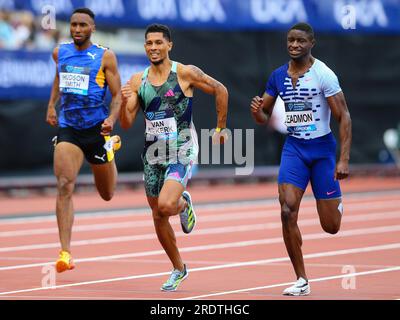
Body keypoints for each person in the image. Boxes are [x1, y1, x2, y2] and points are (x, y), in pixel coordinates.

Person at [120, 24, 228, 291]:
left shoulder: (185, 73)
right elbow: (126, 122)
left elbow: (221, 90)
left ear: (169, 45)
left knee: (167, 205)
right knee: (157, 215)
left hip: (182, 147)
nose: (153, 48)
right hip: (153, 153)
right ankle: (178, 268)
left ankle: (182, 203)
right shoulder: (138, 80)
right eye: (149, 43)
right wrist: (126, 100)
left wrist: (221, 127)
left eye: (158, 43)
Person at [250, 22, 352, 296]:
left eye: (300, 41)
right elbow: (264, 117)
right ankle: (301, 279)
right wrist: (257, 111)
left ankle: (337, 204)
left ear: (311, 43)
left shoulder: (324, 75)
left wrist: (343, 159)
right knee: (287, 210)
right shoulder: (278, 76)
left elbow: (344, 117)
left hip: (321, 151)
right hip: (294, 148)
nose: (294, 45)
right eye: (290, 41)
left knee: (331, 226)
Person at [46, 8, 122, 273]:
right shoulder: (60, 52)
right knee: (65, 184)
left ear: (92, 28)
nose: (77, 29)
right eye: (74, 25)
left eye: (83, 25)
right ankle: (65, 252)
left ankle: (110, 150)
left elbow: (117, 96)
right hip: (69, 127)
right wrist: (51, 106)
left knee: (107, 194)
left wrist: (112, 119)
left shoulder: (105, 56)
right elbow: (59, 78)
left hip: (96, 129)